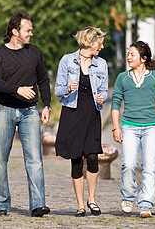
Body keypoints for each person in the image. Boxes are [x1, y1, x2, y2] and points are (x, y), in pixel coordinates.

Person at [0, 9, 51, 217]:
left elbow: (43, 79)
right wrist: (17, 89)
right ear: (15, 31)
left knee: (35, 159)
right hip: (4, 110)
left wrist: (47, 105)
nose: (31, 34)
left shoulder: (35, 52)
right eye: (28, 30)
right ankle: (1, 204)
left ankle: (38, 204)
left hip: (30, 111)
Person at [111, 41, 155, 218]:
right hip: (129, 126)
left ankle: (145, 203)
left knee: (149, 166)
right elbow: (115, 103)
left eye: (132, 54)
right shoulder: (123, 78)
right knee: (128, 164)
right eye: (128, 54)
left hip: (151, 126)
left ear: (143, 58)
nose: (128, 57)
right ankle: (128, 197)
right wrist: (116, 128)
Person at [54, 26, 108, 217]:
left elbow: (104, 90)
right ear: (89, 42)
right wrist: (68, 88)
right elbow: (58, 90)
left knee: (92, 157)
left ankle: (92, 200)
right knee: (76, 159)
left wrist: (102, 97)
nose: (101, 47)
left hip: (92, 113)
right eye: (99, 43)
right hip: (72, 113)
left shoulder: (101, 64)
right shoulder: (67, 60)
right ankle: (80, 205)